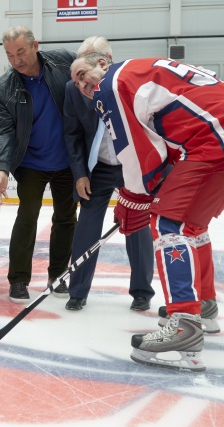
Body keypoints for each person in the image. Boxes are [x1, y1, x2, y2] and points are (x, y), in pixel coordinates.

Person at [71, 53, 224, 371]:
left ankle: (184, 324)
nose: (82, 83)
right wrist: (143, 194)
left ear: (103, 64)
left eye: (83, 73)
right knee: (192, 225)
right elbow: (166, 143)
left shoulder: (111, 85)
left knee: (167, 224)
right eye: (77, 82)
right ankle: (202, 305)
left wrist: (132, 198)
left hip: (217, 138)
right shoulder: (138, 69)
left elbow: (134, 150)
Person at [62, 36, 154, 312]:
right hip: (98, 167)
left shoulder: (129, 84)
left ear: (106, 62)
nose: (82, 81)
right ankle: (77, 291)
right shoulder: (73, 89)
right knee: (87, 226)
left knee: (137, 225)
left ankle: (141, 291)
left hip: (132, 166)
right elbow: (72, 134)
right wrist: (80, 174)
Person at [0, 26, 77, 303]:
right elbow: (4, 132)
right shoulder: (3, 88)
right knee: (27, 217)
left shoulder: (64, 61)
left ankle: (58, 274)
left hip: (67, 161)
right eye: (10, 55)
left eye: (21, 52)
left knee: (65, 219)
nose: (16, 60)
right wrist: (1, 168)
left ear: (35, 45)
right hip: (30, 163)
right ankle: (18, 280)